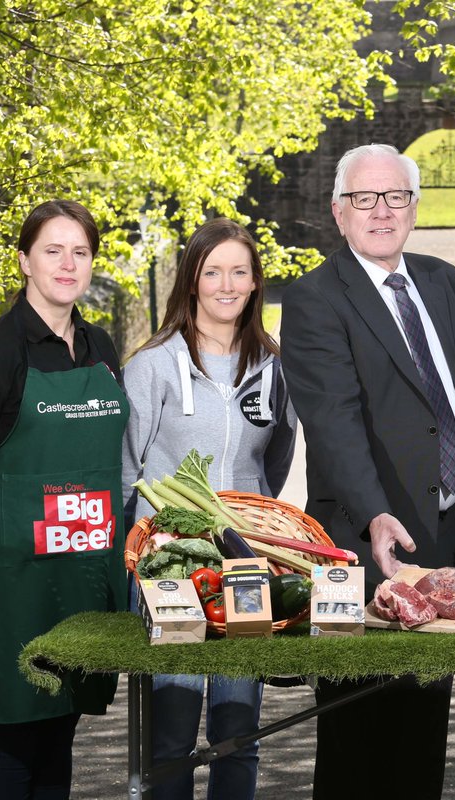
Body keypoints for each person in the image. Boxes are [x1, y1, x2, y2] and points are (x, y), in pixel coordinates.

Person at [280, 143, 455, 800]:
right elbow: (334, 421)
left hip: (445, 536)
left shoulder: (439, 279)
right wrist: (374, 510)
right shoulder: (316, 297)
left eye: (396, 197)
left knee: (421, 733)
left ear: (413, 205)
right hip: (364, 542)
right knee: (357, 738)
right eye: (365, 198)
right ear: (338, 212)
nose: (381, 211)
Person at [0, 200, 129, 799]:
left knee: (63, 722)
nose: (67, 264)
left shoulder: (101, 348)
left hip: (85, 569)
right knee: (17, 728)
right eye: (52, 250)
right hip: (15, 576)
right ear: (24, 261)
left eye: (80, 252)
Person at [121, 217, 295, 800]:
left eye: (239, 272)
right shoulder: (151, 365)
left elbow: (276, 458)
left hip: (246, 565)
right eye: (212, 270)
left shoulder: (274, 368)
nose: (226, 284)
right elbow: (128, 471)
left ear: (254, 283)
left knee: (239, 731)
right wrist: (140, 560)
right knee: (171, 735)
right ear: (191, 279)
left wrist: (246, 520)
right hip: (172, 566)